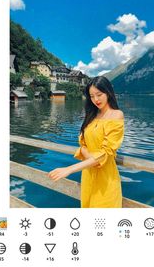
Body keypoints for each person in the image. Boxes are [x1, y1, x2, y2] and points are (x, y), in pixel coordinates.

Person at [48, 76, 124, 208]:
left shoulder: (116, 115)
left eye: (99, 95)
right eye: (92, 96)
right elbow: (83, 144)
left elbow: (106, 153)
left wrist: (69, 169)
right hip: (88, 173)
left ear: (108, 92)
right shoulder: (92, 115)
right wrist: (92, 157)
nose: (96, 100)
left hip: (105, 178)